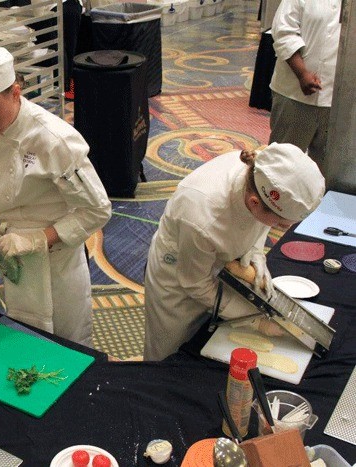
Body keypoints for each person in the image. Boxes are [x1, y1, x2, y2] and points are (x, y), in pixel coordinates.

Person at [0, 45, 111, 346]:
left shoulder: (54, 139)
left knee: (68, 346)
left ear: (15, 92)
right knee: (25, 337)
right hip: (13, 256)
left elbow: (97, 210)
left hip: (57, 262)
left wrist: (38, 239)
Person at [143, 143, 325, 361]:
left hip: (216, 257)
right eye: (280, 224)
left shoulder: (261, 177)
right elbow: (195, 283)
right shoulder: (203, 216)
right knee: (169, 353)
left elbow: (260, 222)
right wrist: (256, 320)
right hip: (177, 280)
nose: (281, 228)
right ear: (254, 202)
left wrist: (256, 254)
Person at [268, 0, 341, 167]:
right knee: (282, 164)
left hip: (340, 102)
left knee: (327, 169)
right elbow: (283, 32)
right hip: (294, 94)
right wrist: (302, 73)